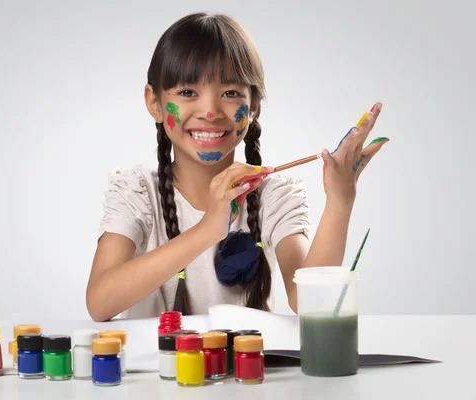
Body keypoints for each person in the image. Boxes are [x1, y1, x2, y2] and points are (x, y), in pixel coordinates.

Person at [85, 12, 387, 322]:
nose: (210, 111)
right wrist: (207, 230)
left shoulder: (275, 195)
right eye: (188, 92)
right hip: (158, 369)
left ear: (253, 104)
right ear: (155, 103)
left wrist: (340, 200)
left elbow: (311, 304)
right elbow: (100, 303)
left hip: (249, 368)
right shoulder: (137, 191)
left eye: (230, 94)